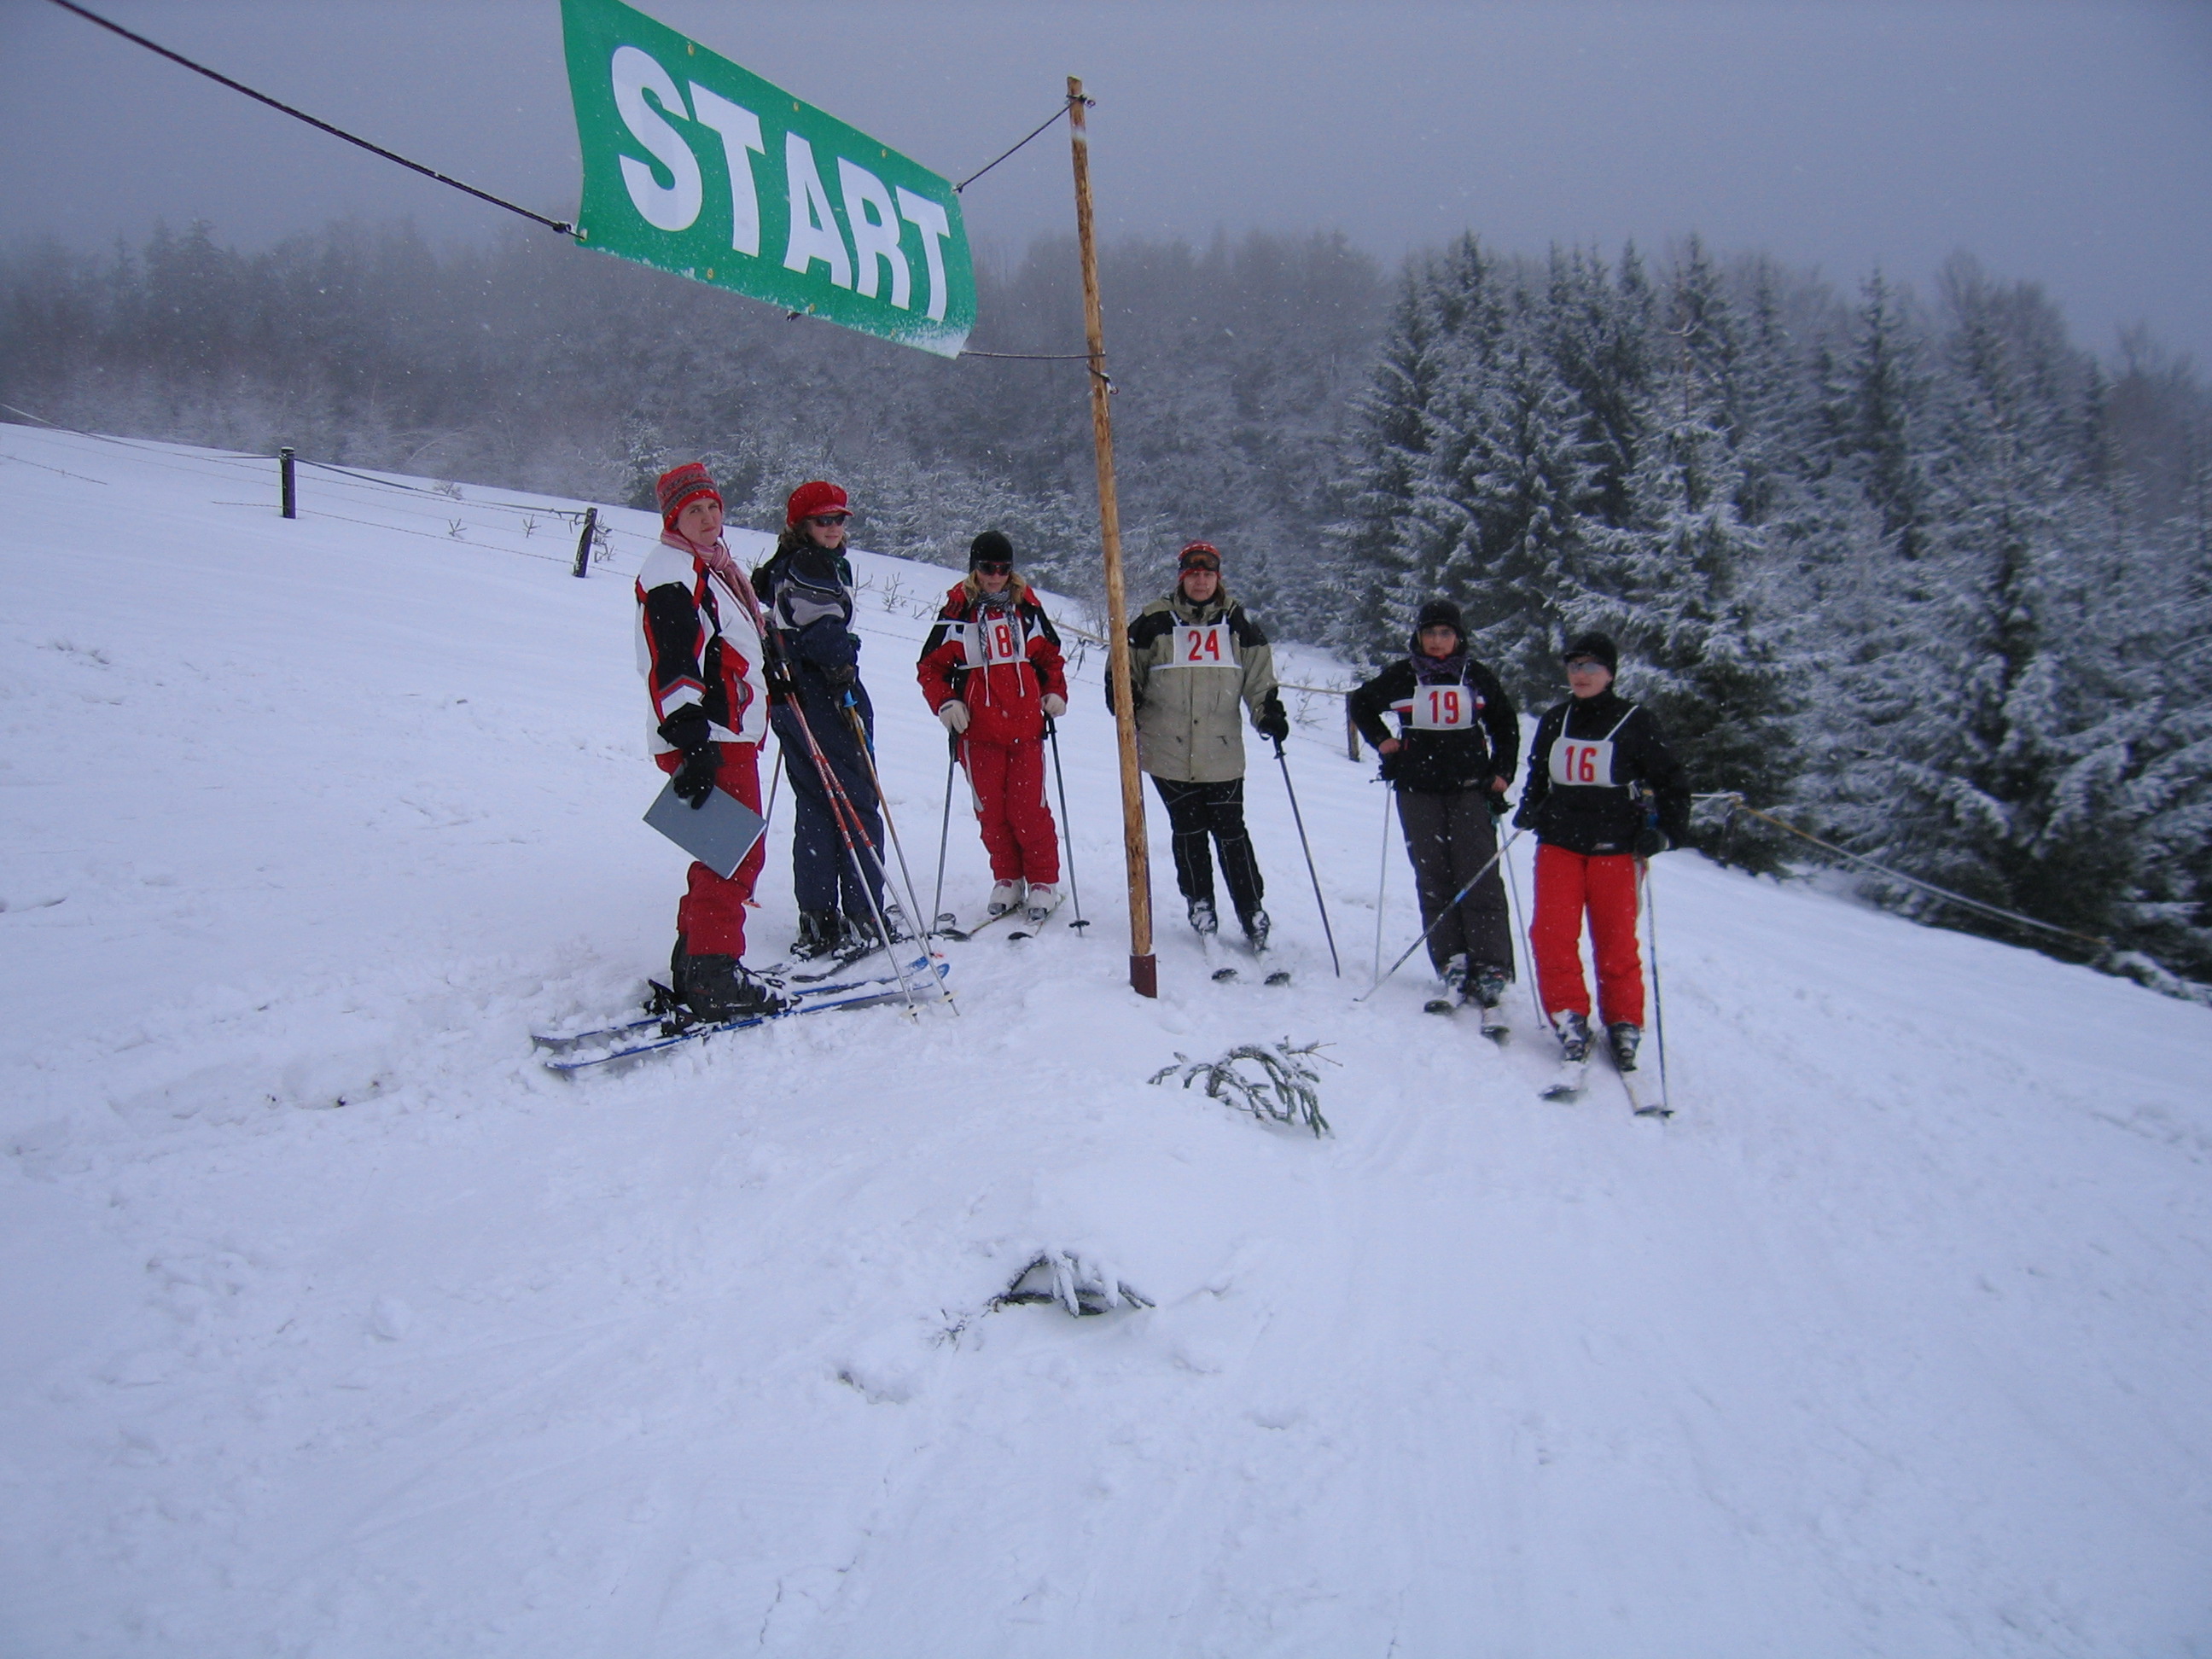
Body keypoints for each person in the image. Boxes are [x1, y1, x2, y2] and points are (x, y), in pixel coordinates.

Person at [634, 462, 783, 1017]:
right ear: (674, 517)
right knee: (735, 851)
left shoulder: (709, 566)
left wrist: (773, 672)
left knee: (723, 847)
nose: (707, 518)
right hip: (708, 733)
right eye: (693, 510)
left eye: (713, 507)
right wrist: (692, 738)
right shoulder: (674, 570)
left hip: (724, 729)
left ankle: (698, 961)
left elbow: (728, 644)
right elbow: (672, 657)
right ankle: (714, 974)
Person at [1513, 631, 1691, 1074]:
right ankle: (1569, 1016)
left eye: (1591, 666)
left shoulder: (1635, 721)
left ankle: (1624, 1021)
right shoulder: (1556, 719)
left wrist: (1666, 832)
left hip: (1616, 848)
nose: (1580, 675)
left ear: (1610, 673)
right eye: (1574, 666)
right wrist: (1530, 807)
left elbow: (1671, 780)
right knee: (1551, 935)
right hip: (1560, 844)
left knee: (1614, 941)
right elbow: (1539, 772)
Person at [1348, 599, 1520, 1014]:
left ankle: (1492, 965)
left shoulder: (1475, 676)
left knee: (1478, 874)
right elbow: (1361, 703)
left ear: (1458, 637)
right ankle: (1452, 961)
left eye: (1445, 633)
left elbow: (1505, 724)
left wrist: (1503, 773)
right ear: (1418, 637)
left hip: (1469, 790)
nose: (1437, 641)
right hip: (1418, 791)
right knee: (1434, 877)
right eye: (1430, 633)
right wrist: (1385, 743)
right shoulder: (1404, 676)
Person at [1115, 541, 1290, 947]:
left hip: (1221, 750)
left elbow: (1260, 681)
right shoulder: (1153, 621)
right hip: (1166, 749)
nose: (1200, 580)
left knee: (1232, 832)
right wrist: (1123, 693)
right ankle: (1200, 903)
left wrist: (1269, 714)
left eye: (1207, 574)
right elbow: (1125, 669)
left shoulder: (1238, 624)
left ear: (1218, 578)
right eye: (1193, 574)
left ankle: (1251, 908)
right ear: (1182, 577)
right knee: (1189, 829)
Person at [752, 480, 890, 958]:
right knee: (855, 800)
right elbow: (823, 631)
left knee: (815, 803)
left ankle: (818, 916)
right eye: (822, 520)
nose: (833, 528)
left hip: (790, 697)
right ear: (801, 526)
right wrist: (842, 669)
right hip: (822, 696)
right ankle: (865, 911)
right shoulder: (811, 565)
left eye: (838, 519)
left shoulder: (778, 566)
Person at [917, 531, 1070, 923]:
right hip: (978, 732)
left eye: (1003, 569)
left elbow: (1051, 659)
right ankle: (1007, 876)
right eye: (988, 568)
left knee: (1028, 808)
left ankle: (1042, 881)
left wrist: (1055, 693)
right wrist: (946, 702)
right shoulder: (956, 613)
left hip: (1025, 729)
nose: (995, 576)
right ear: (974, 568)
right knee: (991, 811)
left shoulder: (1027, 611)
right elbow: (931, 668)